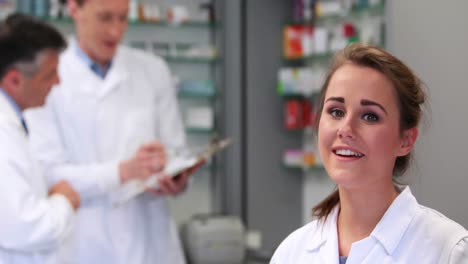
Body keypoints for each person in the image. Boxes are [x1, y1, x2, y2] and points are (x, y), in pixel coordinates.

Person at [24, 0, 198, 263]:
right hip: (82, 243)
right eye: (105, 18)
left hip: (150, 241)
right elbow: (47, 174)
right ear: (74, 9)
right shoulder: (48, 76)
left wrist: (176, 177)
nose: (116, 31)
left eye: (123, 18)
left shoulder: (152, 70)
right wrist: (122, 171)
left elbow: (176, 150)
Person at [270, 44, 468, 263]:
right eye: (336, 111)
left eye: (370, 116)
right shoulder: (292, 253)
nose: (345, 129)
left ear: (406, 140)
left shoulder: (448, 251)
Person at [0, 13, 80, 264]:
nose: (57, 82)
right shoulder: (2, 132)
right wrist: (63, 202)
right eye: (49, 74)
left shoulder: (13, 122)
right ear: (14, 79)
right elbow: (22, 228)